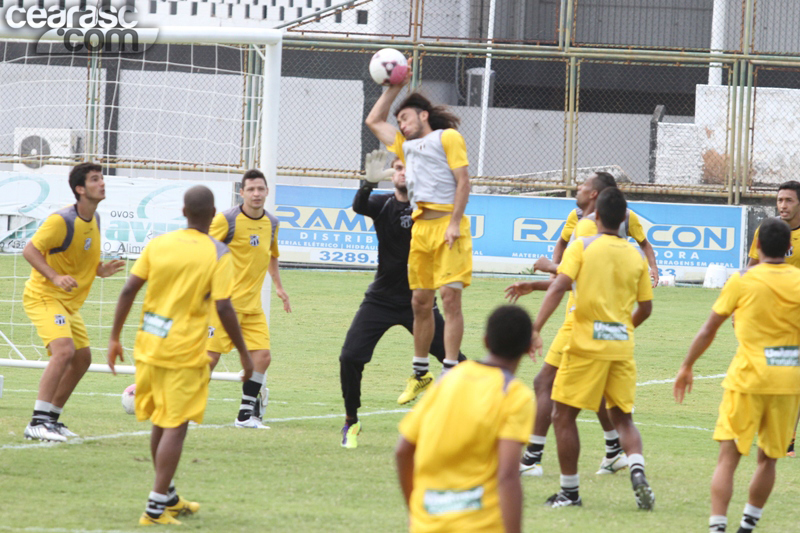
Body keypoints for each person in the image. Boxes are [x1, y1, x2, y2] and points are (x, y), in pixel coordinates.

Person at [107, 185, 254, 526]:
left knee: (161, 420)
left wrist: (114, 337)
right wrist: (245, 355)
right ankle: (154, 509)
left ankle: (168, 496)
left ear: (184, 212)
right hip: (184, 352)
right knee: (177, 423)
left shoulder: (158, 244)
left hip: (148, 345)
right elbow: (223, 307)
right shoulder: (218, 252)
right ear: (214, 214)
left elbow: (129, 289)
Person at [508, 172, 655, 476]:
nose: (578, 186)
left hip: (579, 322)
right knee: (599, 391)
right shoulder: (617, 244)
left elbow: (567, 277)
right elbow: (642, 305)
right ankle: (614, 451)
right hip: (610, 331)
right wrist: (536, 284)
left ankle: (532, 459)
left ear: (595, 199)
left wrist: (546, 269)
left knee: (545, 385)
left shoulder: (588, 229)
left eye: (584, 184)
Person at [674, 217, 800, 533]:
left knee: (727, 458)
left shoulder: (742, 281)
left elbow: (709, 329)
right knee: (768, 459)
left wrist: (686, 365)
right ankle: (747, 526)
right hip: (788, 381)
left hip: (747, 379)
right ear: (789, 247)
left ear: (757, 246)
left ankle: (718, 527)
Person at [339, 151, 466, 449]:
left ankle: (474, 419)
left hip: (419, 301)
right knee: (350, 357)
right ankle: (351, 421)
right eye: (397, 168)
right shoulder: (382, 204)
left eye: (407, 168)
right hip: (381, 299)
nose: (401, 172)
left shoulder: (428, 208)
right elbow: (359, 205)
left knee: (458, 363)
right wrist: (368, 183)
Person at [365, 71, 472, 405]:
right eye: (399, 120)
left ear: (424, 115)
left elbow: (464, 181)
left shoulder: (447, 138)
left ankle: (450, 369)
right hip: (421, 230)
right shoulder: (406, 146)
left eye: (406, 117)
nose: (401, 124)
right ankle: (420, 373)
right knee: (420, 303)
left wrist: (454, 222)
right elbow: (373, 120)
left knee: (450, 299)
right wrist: (394, 87)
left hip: (448, 227)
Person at [395, 305, 534, 533]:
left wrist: (415, 510)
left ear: (486, 341)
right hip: (481, 526)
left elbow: (402, 450)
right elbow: (508, 476)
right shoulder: (515, 395)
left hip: (426, 524)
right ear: (529, 347)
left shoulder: (448, 380)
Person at [21, 162, 125, 442]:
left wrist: (100, 270)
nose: (102, 183)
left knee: (82, 358)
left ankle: (51, 420)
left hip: (68, 304)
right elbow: (29, 250)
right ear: (80, 189)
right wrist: (55, 277)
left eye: (102, 178)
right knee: (64, 351)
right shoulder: (61, 220)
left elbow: (80, 258)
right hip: (44, 296)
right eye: (95, 179)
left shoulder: (95, 218)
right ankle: (37, 422)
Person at [206, 169, 291, 429]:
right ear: (241, 192)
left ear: (267, 192)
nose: (256, 194)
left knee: (262, 357)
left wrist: (279, 287)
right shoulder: (227, 220)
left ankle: (245, 416)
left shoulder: (272, 223)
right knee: (209, 360)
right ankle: (182, 408)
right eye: (251, 189)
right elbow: (204, 249)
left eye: (260, 189)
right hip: (223, 305)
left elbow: (272, 254)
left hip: (252, 307)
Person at [746, 180, 800, 457]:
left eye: (789, 200)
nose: (783, 205)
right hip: (767, 318)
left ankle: (788, 438)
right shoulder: (765, 231)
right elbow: (751, 268)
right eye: (780, 200)